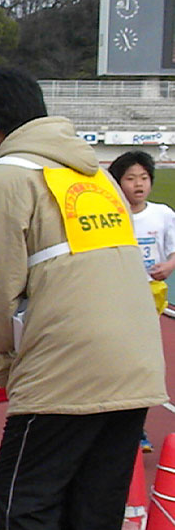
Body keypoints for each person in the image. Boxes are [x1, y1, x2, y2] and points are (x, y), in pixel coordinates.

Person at [0, 67, 167, 530]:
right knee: (93, 507)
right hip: (136, 366)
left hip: (65, 370)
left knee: (25, 502)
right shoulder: (94, 176)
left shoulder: (6, 178)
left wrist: (6, 360)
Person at [108, 150, 175, 453]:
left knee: (141, 363)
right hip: (114, 295)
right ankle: (116, 422)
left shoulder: (162, 214)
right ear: (117, 182)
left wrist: (170, 266)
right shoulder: (110, 215)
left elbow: (173, 250)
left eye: (144, 178)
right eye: (131, 178)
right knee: (117, 360)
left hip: (150, 296)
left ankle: (136, 427)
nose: (138, 184)